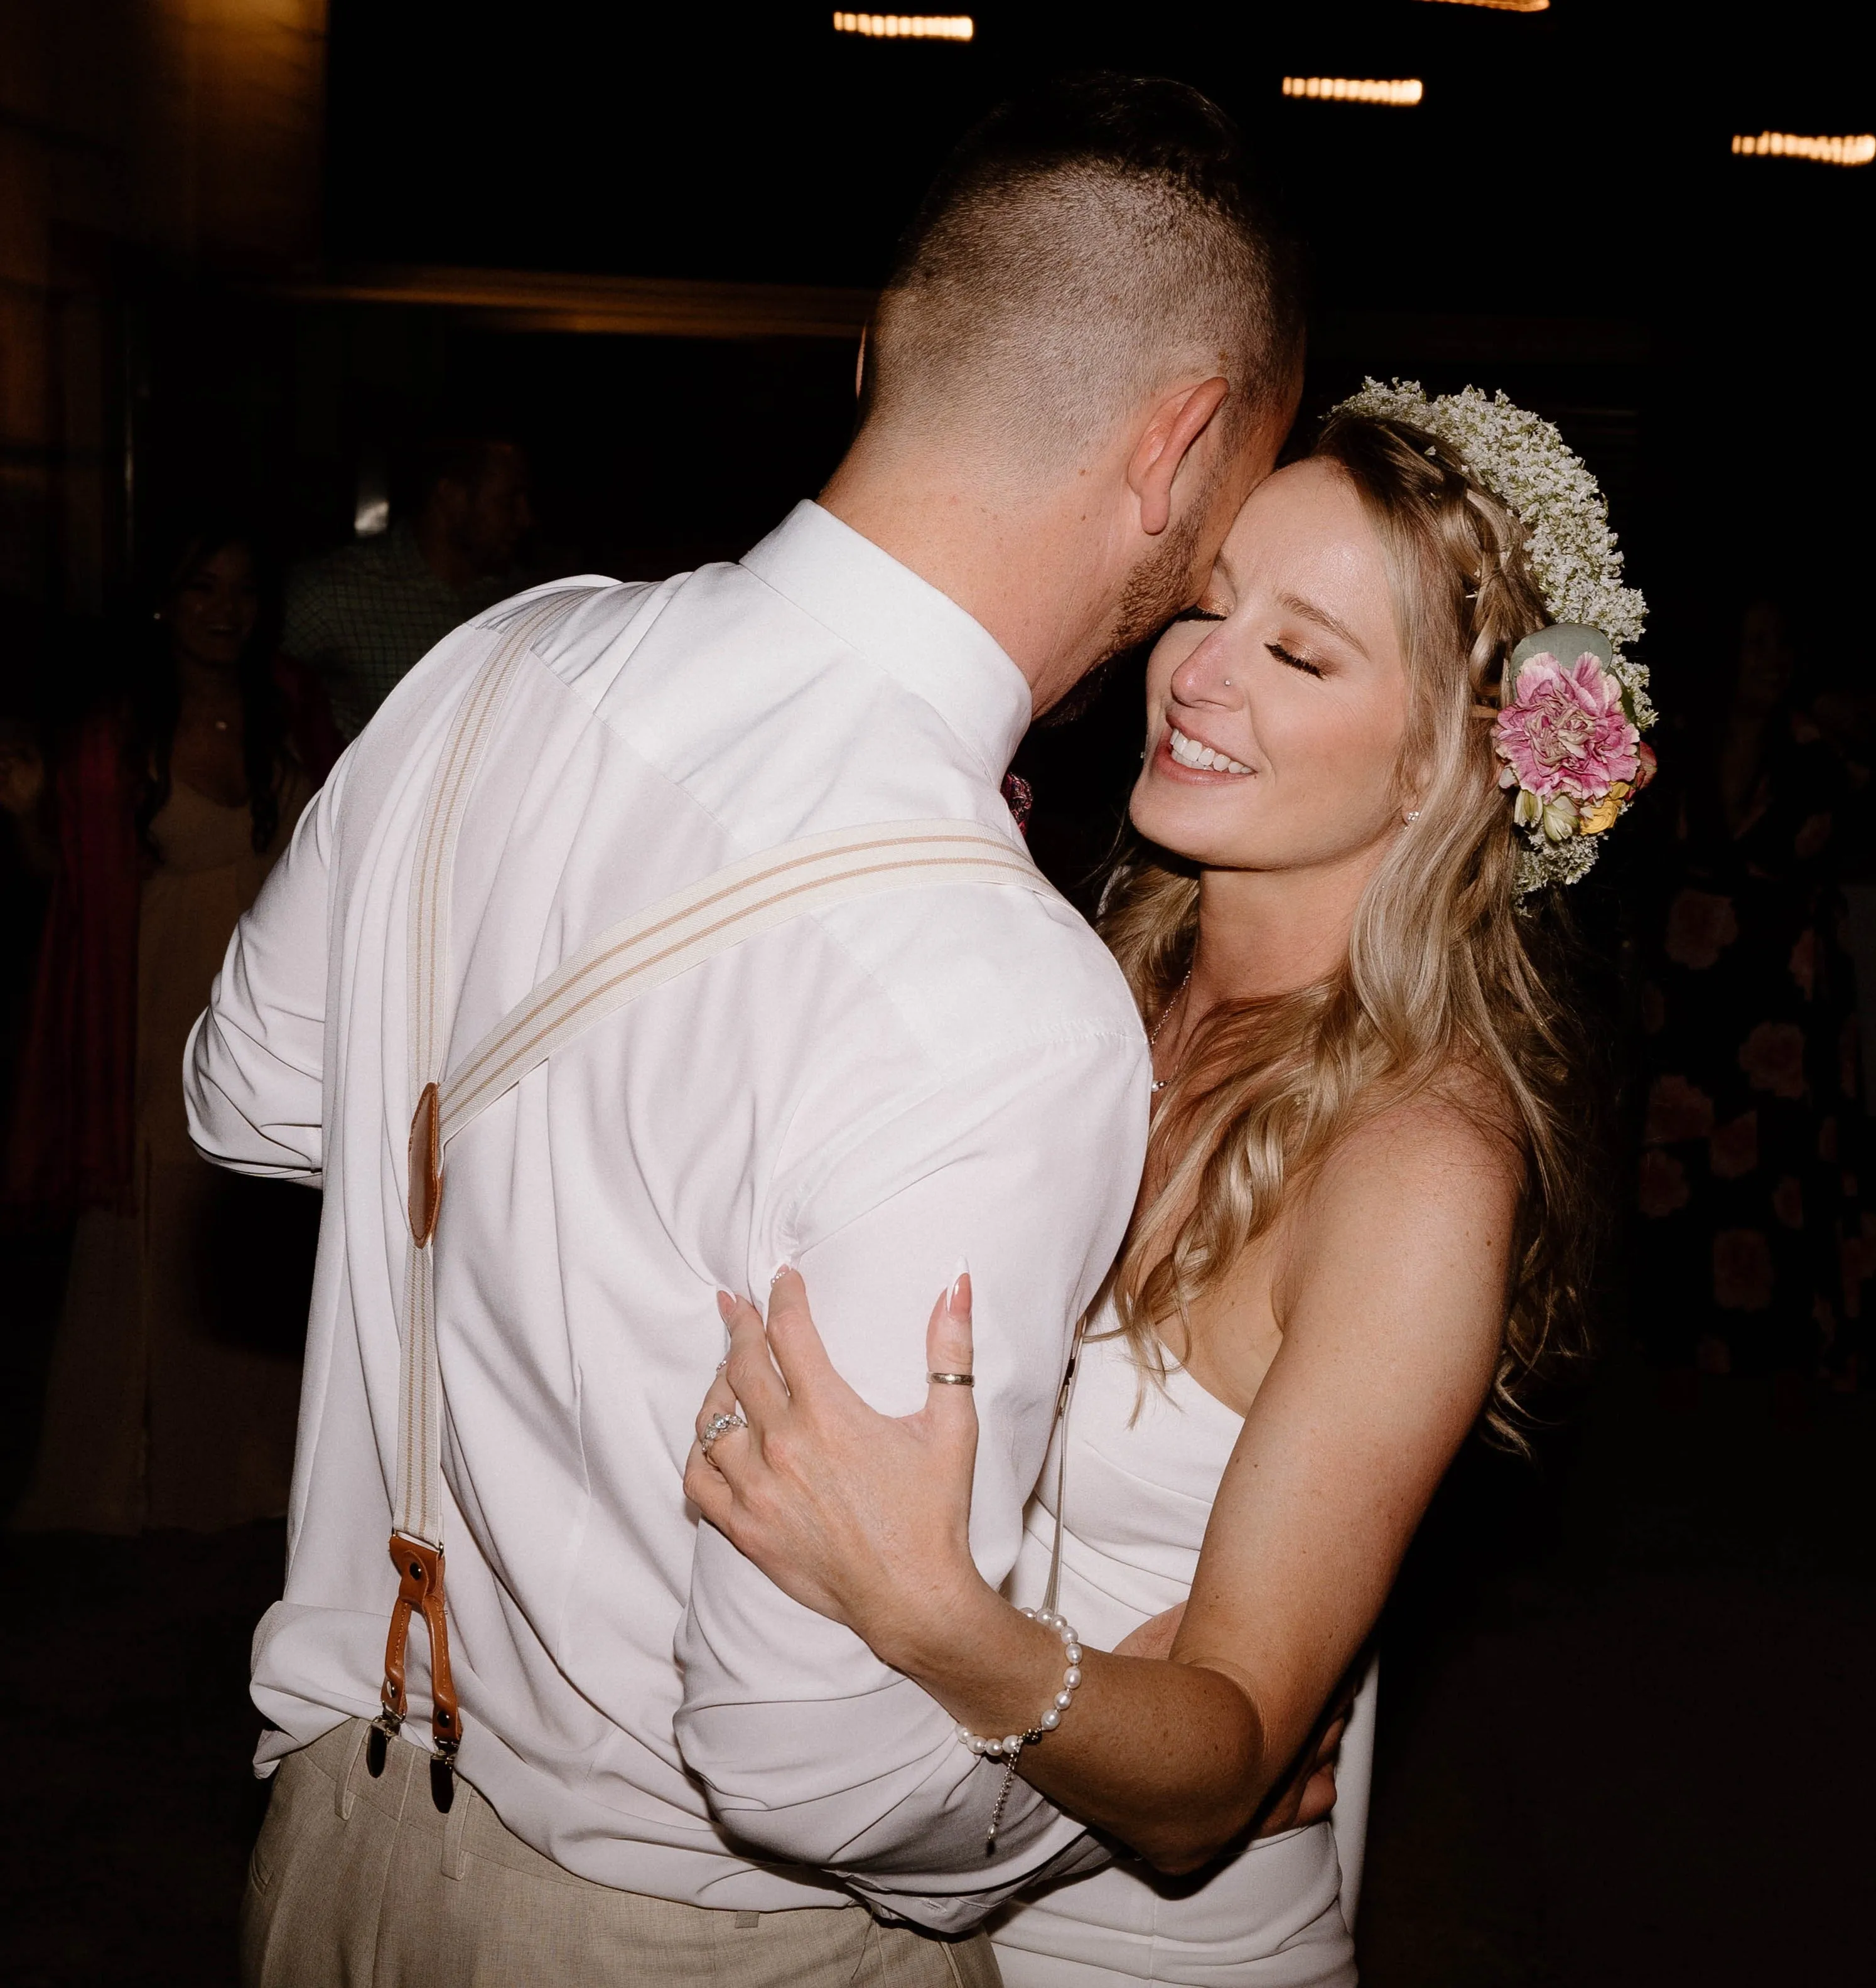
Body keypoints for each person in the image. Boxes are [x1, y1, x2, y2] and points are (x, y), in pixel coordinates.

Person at [186, 76, 1303, 1985]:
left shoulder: (495, 659)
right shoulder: (998, 995)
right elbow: (813, 1755)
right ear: (1180, 442)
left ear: (883, 346)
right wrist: (1117, 1811)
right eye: (1235, 494)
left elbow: (254, 1091)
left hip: (338, 1853)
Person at [685, 386, 1649, 1985]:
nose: (1196, 672)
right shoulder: (1091, 988)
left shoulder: (1414, 1166)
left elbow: (1218, 1766)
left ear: (1440, 769)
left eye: (1299, 652)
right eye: (1207, 606)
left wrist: (934, 1616)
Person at [4, 529, 338, 1532]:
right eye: (202, 586)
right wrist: (23, 815)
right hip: (153, 1018)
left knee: (260, 1231)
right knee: (155, 1239)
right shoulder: (114, 734)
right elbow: (63, 892)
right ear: (164, 601)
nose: (224, 608)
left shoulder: (289, 708)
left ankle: (257, 1474)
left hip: (271, 1013)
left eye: (243, 587)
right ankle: (135, 1471)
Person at [1635, 598, 1876, 1398]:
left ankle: (1781, 1362)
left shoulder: (1816, 747)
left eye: (1783, 642)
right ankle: (1672, 1354)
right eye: (1756, 642)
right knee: (1677, 1170)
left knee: (1775, 1175)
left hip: (1780, 1009)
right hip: (1687, 999)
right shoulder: (1673, 744)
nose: (1771, 659)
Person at [284, 434, 534, 741]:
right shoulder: (334, 591)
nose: (526, 518)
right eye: (509, 500)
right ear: (451, 497)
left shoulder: (525, 600)